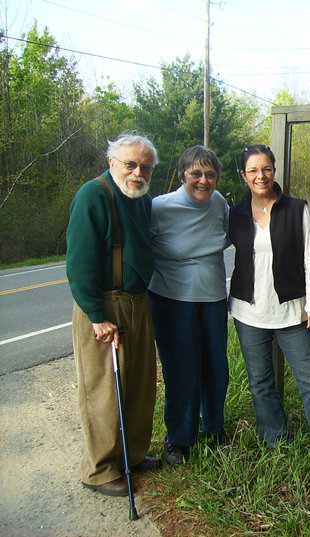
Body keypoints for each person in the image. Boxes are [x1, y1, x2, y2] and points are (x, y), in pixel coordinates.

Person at [229, 144, 310, 454]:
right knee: (260, 382)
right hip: (248, 313)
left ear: (274, 171)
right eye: (253, 170)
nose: (260, 176)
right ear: (243, 175)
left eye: (266, 169)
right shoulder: (236, 213)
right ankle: (276, 441)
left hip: (292, 312)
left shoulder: (296, 209)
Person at [66, 132, 161, 497]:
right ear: (112, 163)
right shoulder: (94, 194)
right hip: (105, 305)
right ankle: (100, 470)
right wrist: (96, 315)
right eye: (131, 164)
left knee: (139, 384)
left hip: (137, 301)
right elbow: (79, 262)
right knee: (104, 389)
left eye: (146, 167)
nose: (138, 172)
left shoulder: (142, 198)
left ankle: (131, 456)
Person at [148, 145, 230, 465]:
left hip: (212, 299)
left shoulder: (219, 202)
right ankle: (179, 439)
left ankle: (214, 429)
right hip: (172, 301)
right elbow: (139, 248)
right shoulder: (160, 207)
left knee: (216, 370)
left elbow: (230, 235)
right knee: (182, 371)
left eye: (210, 174)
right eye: (196, 173)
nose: (203, 180)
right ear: (182, 174)